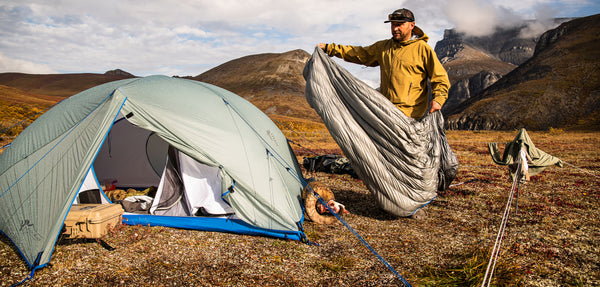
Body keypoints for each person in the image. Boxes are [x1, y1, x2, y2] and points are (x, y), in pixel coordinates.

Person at [318, 8, 450, 119]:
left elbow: (439, 78)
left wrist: (438, 100)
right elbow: (358, 53)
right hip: (388, 112)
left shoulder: (422, 48)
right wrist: (330, 48)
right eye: (393, 25)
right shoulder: (384, 47)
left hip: (412, 116)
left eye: (400, 24)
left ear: (412, 25)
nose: (395, 28)